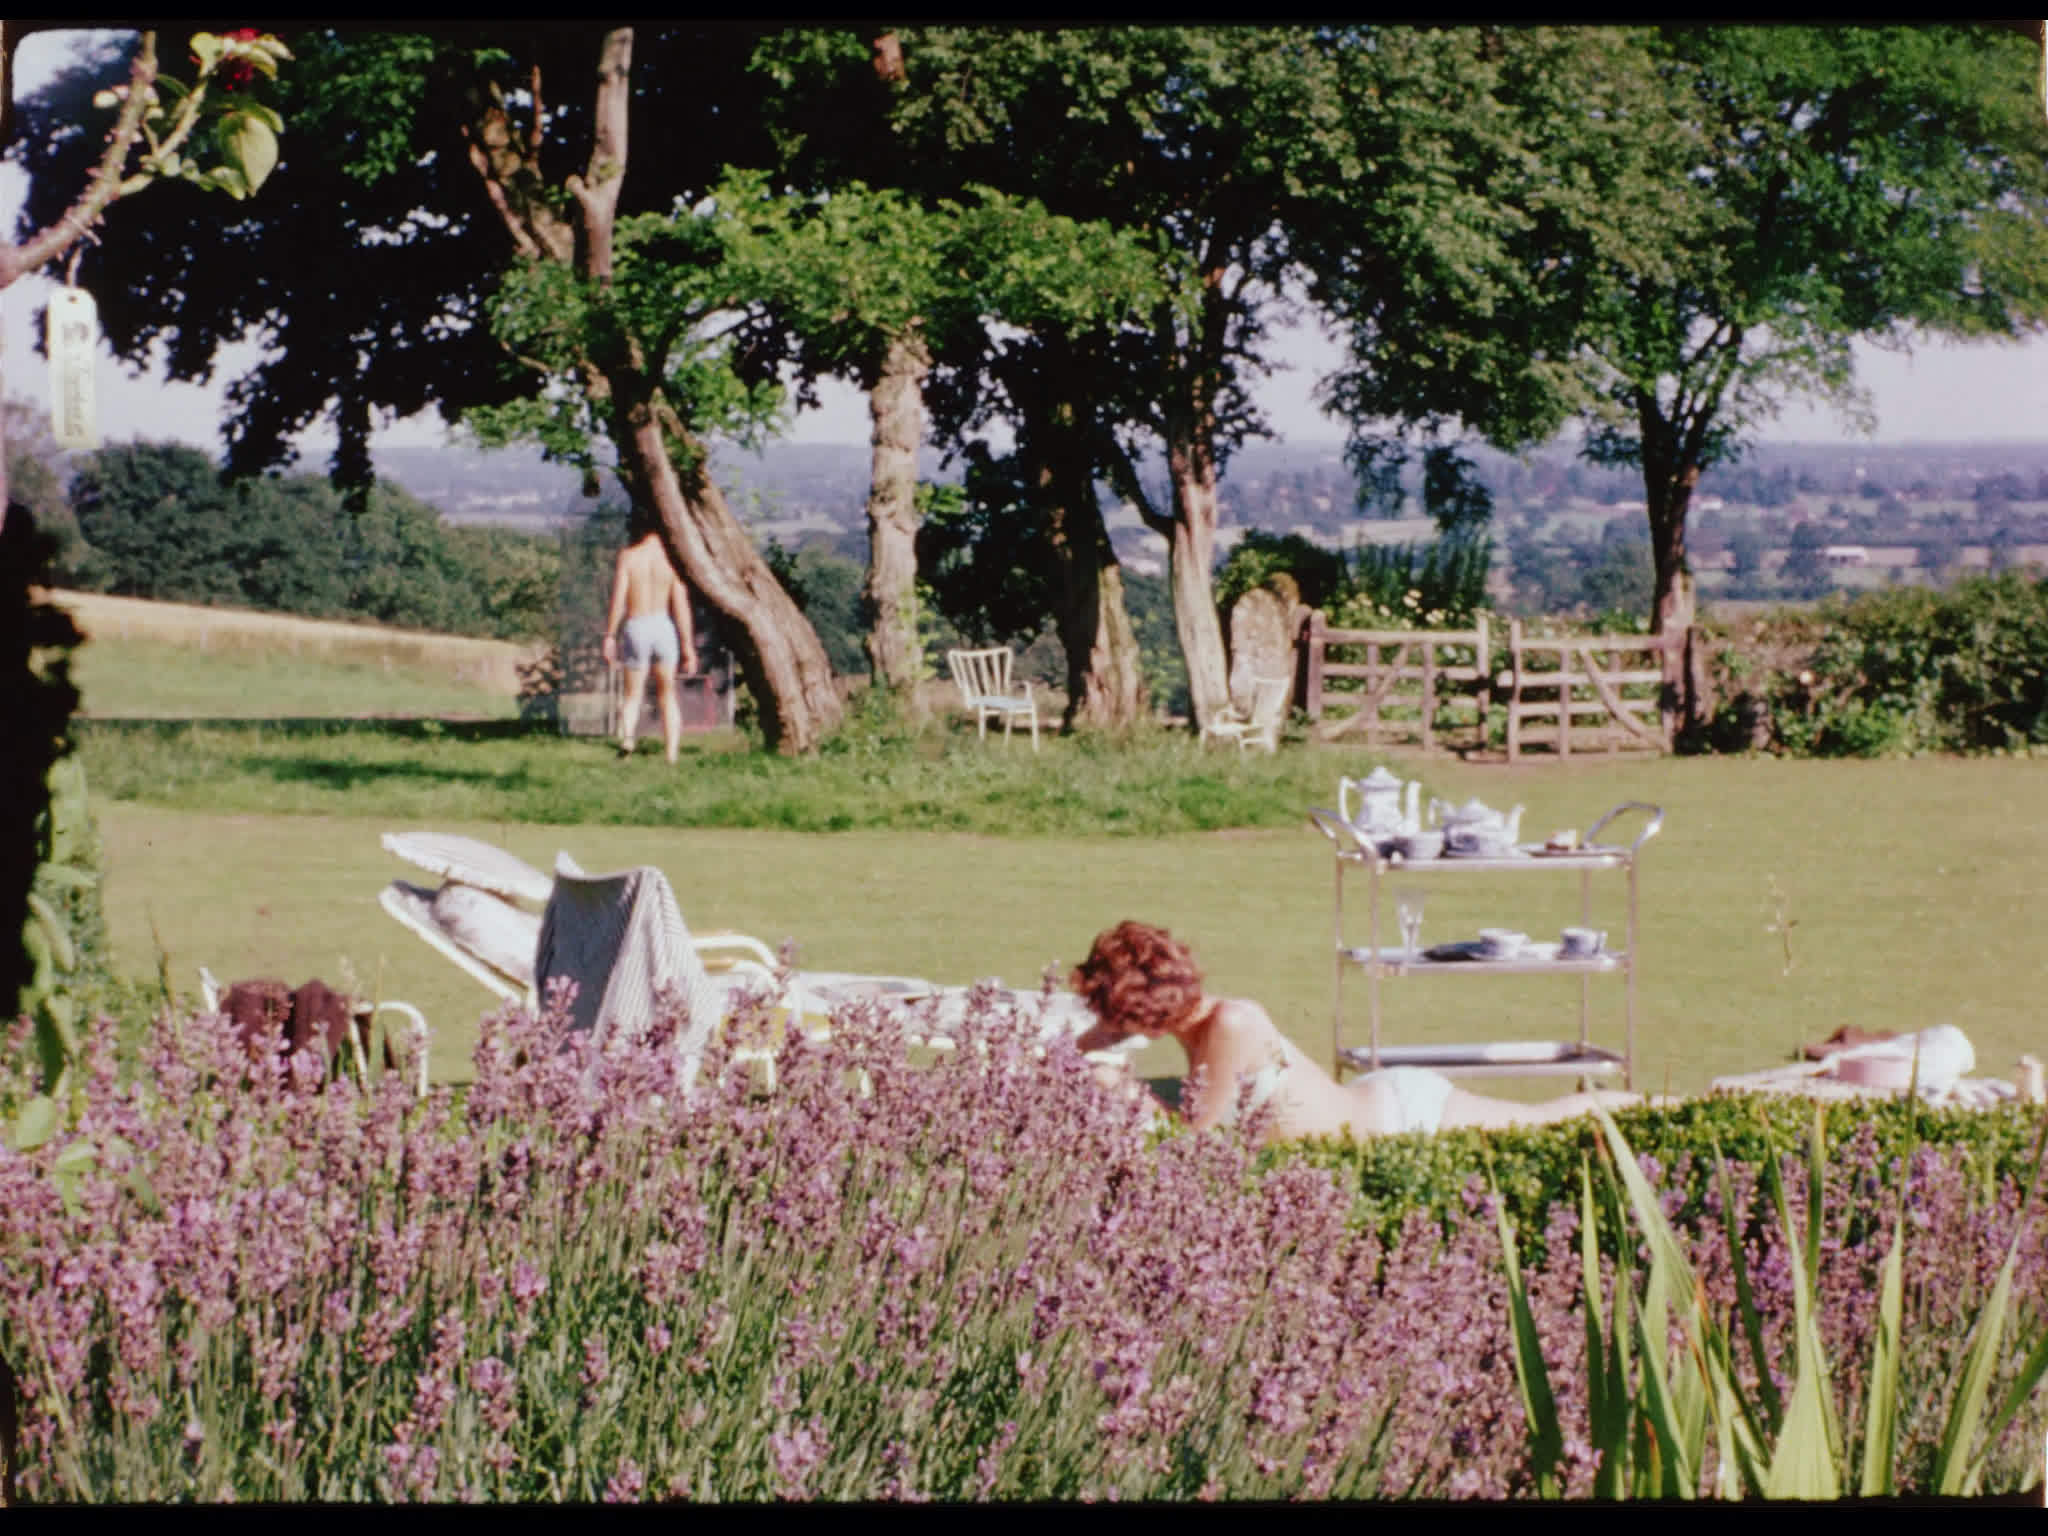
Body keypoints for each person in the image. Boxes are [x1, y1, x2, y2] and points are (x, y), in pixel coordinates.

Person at [1070, 920, 1649, 1143]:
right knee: (1550, 1120)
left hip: (1403, 1117)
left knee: (1552, 1120)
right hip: (1374, 1103)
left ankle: (1674, 1103)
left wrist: (1122, 1088)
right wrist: (1097, 1043)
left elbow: (1197, 1141)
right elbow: (1075, 1057)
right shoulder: (1197, 1029)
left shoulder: (1232, 1024)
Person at [601, 513, 698, 764]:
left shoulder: (629, 557)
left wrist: (610, 634)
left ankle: (628, 738)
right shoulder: (672, 559)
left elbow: (619, 600)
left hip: (637, 625)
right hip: (663, 625)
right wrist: (688, 646)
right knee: (668, 693)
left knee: (632, 693)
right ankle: (671, 754)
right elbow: (681, 605)